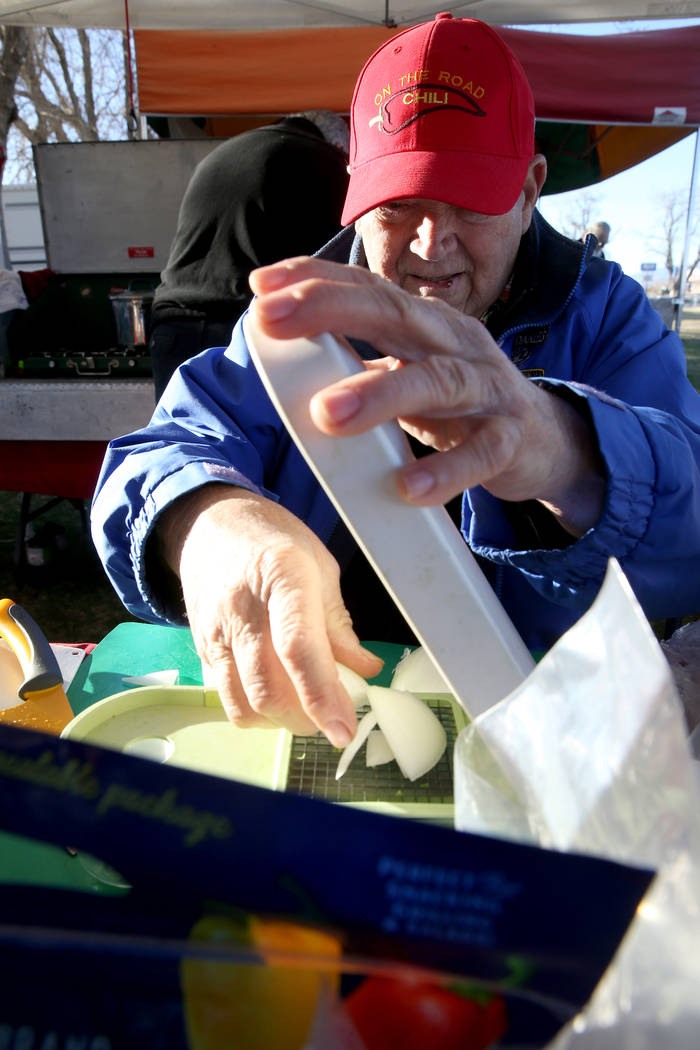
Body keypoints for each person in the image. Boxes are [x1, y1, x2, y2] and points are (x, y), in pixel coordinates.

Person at [92, 14, 700, 750]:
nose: (428, 243)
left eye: (470, 199)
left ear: (530, 188)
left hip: (545, 724)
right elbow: (171, 445)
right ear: (354, 183)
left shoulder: (605, 317)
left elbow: (689, 517)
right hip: (325, 715)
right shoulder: (299, 316)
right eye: (400, 200)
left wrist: (562, 448)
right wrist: (209, 523)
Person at [148, 111, 350, 400]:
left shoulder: (224, 152)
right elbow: (339, 262)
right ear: (339, 147)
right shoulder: (322, 161)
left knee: (179, 439)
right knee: (253, 443)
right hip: (243, 333)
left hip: (172, 326)